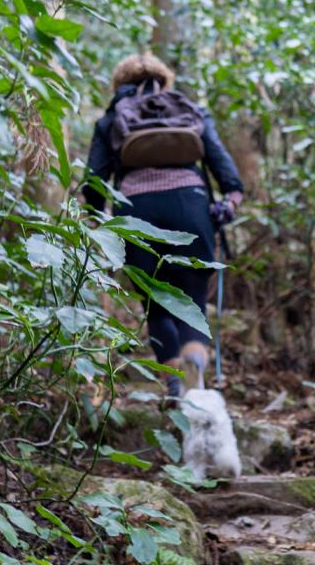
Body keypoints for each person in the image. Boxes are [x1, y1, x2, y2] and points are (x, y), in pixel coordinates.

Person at [83, 53, 243, 396]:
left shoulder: (113, 118)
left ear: (119, 84)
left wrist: (100, 221)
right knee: (193, 302)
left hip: (137, 211)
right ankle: (194, 373)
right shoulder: (189, 110)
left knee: (155, 304)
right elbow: (224, 168)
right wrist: (229, 200)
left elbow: (93, 180)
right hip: (192, 206)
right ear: (165, 80)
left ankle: (174, 384)